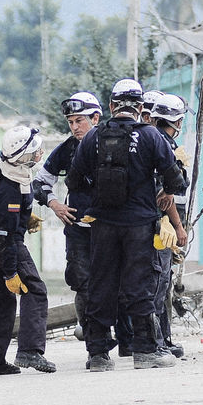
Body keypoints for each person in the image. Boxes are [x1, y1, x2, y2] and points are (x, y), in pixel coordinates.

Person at [68, 78, 187, 371]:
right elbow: (176, 181)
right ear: (140, 107)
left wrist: (99, 191)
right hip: (139, 225)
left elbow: (73, 181)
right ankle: (145, 352)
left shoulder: (93, 137)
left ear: (111, 106)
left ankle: (98, 355)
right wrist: (164, 192)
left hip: (103, 225)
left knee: (101, 286)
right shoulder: (151, 136)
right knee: (139, 286)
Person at [0, 124, 55, 376]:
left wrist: (25, 218)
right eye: (35, 151)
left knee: (0, 298)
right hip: (4, 244)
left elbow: (3, 217)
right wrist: (11, 272)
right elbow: (7, 235)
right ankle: (30, 351)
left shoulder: (8, 172)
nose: (39, 154)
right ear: (23, 156)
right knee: (34, 289)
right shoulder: (10, 186)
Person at [32, 91, 101, 343]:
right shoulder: (66, 149)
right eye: (70, 122)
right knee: (81, 281)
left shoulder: (112, 143)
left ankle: (127, 339)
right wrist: (55, 204)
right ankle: (91, 335)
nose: (74, 127)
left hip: (111, 228)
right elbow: (39, 183)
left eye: (79, 121)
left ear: (95, 118)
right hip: (78, 228)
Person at [149, 93, 190, 356]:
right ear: (177, 121)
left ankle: (161, 340)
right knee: (159, 283)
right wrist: (178, 227)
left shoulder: (153, 142)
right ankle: (157, 343)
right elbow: (166, 196)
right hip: (160, 225)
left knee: (159, 282)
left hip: (149, 222)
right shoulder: (163, 146)